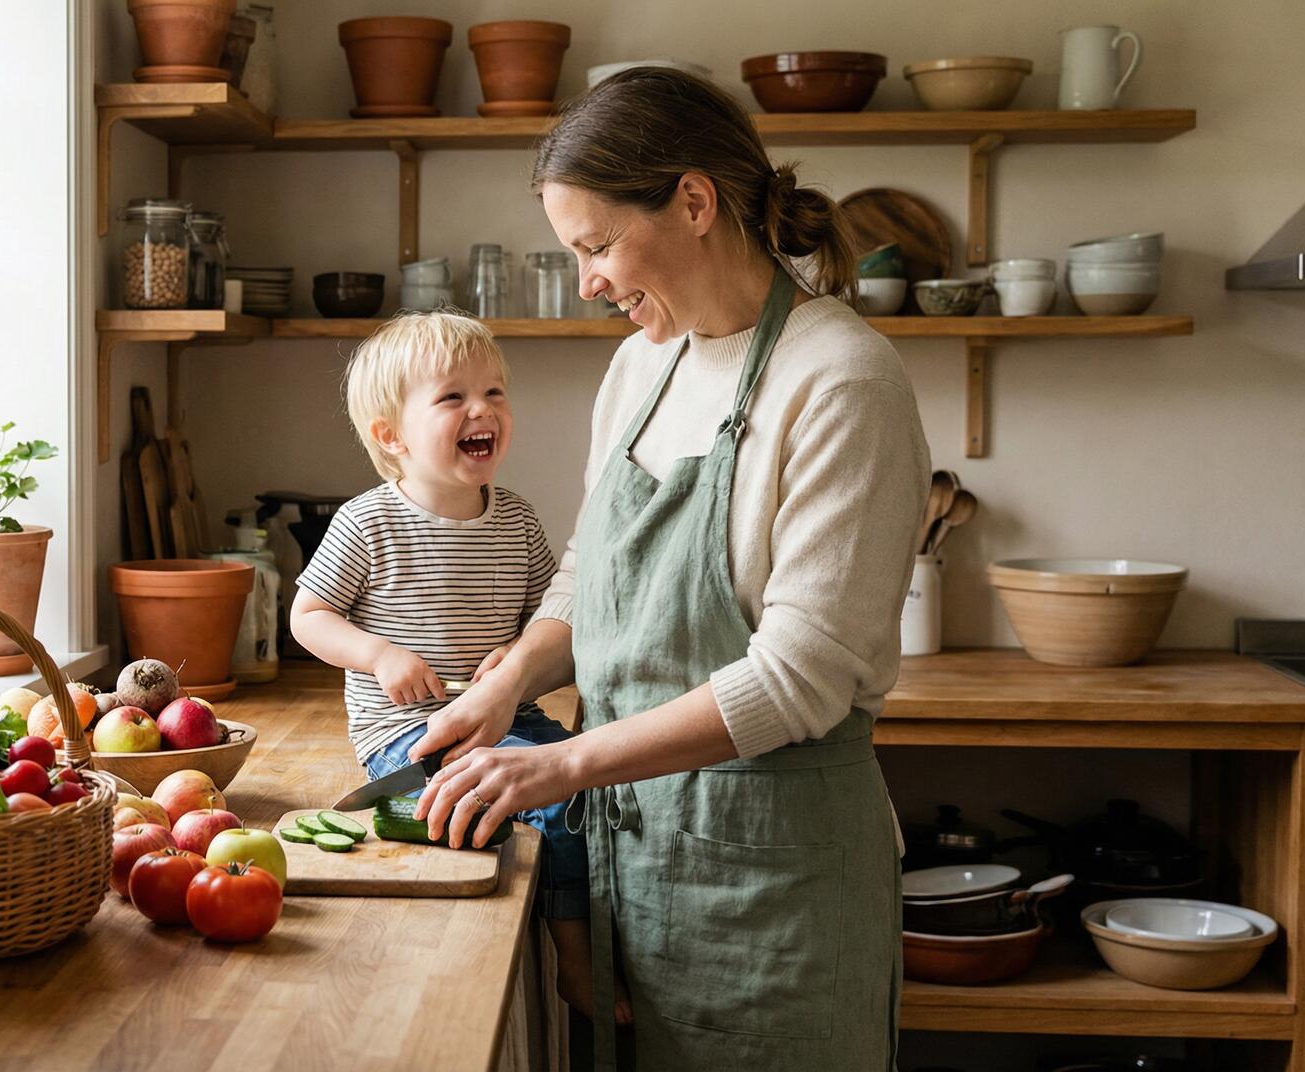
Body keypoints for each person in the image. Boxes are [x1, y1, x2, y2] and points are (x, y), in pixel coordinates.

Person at [408, 67, 932, 1070]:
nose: (589, 282)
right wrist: (510, 681)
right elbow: (590, 575)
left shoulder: (841, 379)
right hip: (629, 870)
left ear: (694, 202)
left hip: (774, 894)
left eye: (598, 246)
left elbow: (798, 678)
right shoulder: (643, 366)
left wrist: (557, 763)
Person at [288, 310, 629, 1025]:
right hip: (408, 736)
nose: (483, 410)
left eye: (495, 393)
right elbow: (308, 617)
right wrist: (378, 654)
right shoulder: (366, 522)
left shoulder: (518, 520)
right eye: (452, 398)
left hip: (510, 718)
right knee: (563, 813)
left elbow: (552, 622)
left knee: (600, 794)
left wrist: (516, 655)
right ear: (391, 435)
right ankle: (578, 964)